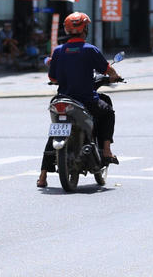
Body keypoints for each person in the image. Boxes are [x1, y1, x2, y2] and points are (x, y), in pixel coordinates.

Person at [38, 12, 123, 187]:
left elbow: (52, 78)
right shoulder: (90, 50)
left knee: (56, 130)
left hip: (62, 100)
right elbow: (108, 69)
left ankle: (43, 176)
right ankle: (107, 151)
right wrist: (115, 76)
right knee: (107, 112)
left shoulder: (58, 51)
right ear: (85, 29)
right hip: (87, 101)